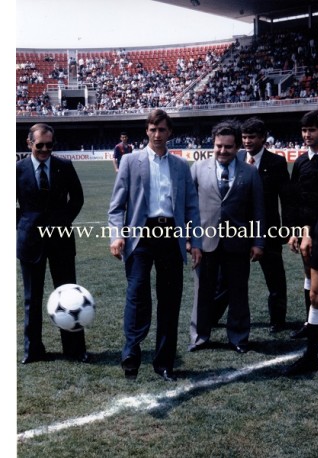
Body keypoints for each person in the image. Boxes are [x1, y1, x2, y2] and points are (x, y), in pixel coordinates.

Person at [108, 109, 202, 381]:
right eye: (152, 130)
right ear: (146, 131)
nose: (157, 135)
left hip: (171, 236)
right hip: (141, 237)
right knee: (137, 295)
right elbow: (116, 207)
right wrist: (117, 235)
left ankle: (164, 363)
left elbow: (192, 208)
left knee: (170, 301)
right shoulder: (129, 161)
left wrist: (195, 241)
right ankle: (131, 354)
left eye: (162, 130)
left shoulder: (180, 166)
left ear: (169, 132)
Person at [188, 120, 265, 353]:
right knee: (202, 292)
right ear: (213, 144)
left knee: (238, 292)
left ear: (238, 147)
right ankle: (199, 337)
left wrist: (258, 242)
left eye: (228, 147)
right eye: (219, 146)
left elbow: (258, 210)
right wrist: (190, 240)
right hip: (205, 242)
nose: (223, 151)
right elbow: (188, 207)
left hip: (238, 243)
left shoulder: (250, 173)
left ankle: (239, 338)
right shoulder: (198, 169)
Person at [16, 123, 88, 364]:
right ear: (29, 144)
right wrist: (25, 224)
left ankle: (75, 349)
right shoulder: (17, 170)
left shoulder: (64, 167)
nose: (45, 149)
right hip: (30, 243)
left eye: (49, 145)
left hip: (61, 241)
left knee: (69, 296)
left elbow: (77, 198)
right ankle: (33, 351)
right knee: (31, 299)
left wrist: (62, 221)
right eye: (40, 145)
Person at [210, 118, 290, 333]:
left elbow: (286, 199)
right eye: (244, 137)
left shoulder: (277, 163)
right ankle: (212, 316)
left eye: (251, 137)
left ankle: (277, 320)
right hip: (238, 231)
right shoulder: (234, 159)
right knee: (225, 279)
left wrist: (289, 229)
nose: (247, 141)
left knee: (275, 279)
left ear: (263, 138)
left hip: (269, 230)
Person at [285, 110, 318, 375]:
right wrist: (302, 231)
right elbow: (300, 201)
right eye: (304, 130)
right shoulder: (302, 163)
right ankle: (311, 355)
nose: (307, 135)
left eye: (312, 130)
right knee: (317, 292)